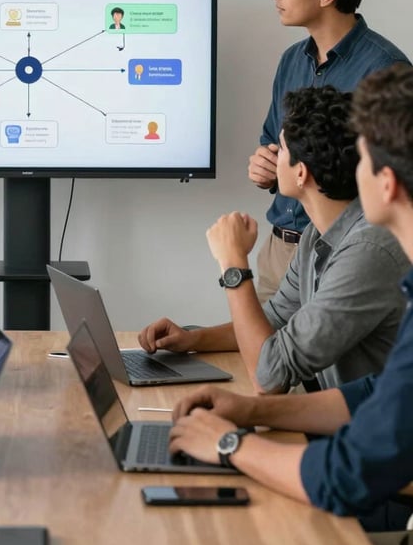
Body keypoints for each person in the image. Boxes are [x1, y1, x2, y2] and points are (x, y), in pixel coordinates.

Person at [169, 64, 413, 545]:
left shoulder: (371, 249)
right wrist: (232, 397)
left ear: (385, 183)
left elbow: (274, 378)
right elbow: (374, 392)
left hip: (383, 498)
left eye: (364, 158)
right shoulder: (323, 237)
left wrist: (228, 443)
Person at [139, 86, 407, 393]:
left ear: (301, 173)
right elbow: (275, 320)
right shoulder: (316, 235)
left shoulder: (367, 252)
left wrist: (233, 264)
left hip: (372, 433)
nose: (271, 156)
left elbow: (269, 378)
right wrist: (192, 340)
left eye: (280, 149)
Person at [249, 0, 409, 301]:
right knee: (256, 355)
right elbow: (274, 143)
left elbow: (397, 179)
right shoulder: (291, 60)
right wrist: (266, 168)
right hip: (277, 252)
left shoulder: (387, 71)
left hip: (343, 257)